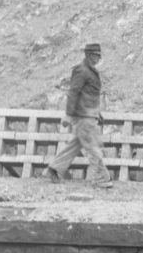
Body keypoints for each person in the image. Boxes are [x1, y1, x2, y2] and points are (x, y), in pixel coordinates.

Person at [44, 42, 113, 189]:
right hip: (84, 117)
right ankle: (100, 178)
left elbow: (89, 94)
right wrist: (69, 115)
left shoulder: (90, 71)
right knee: (93, 147)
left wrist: (97, 112)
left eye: (98, 56)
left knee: (75, 145)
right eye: (95, 55)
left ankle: (54, 169)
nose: (97, 59)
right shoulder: (81, 71)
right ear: (88, 55)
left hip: (89, 115)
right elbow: (73, 93)